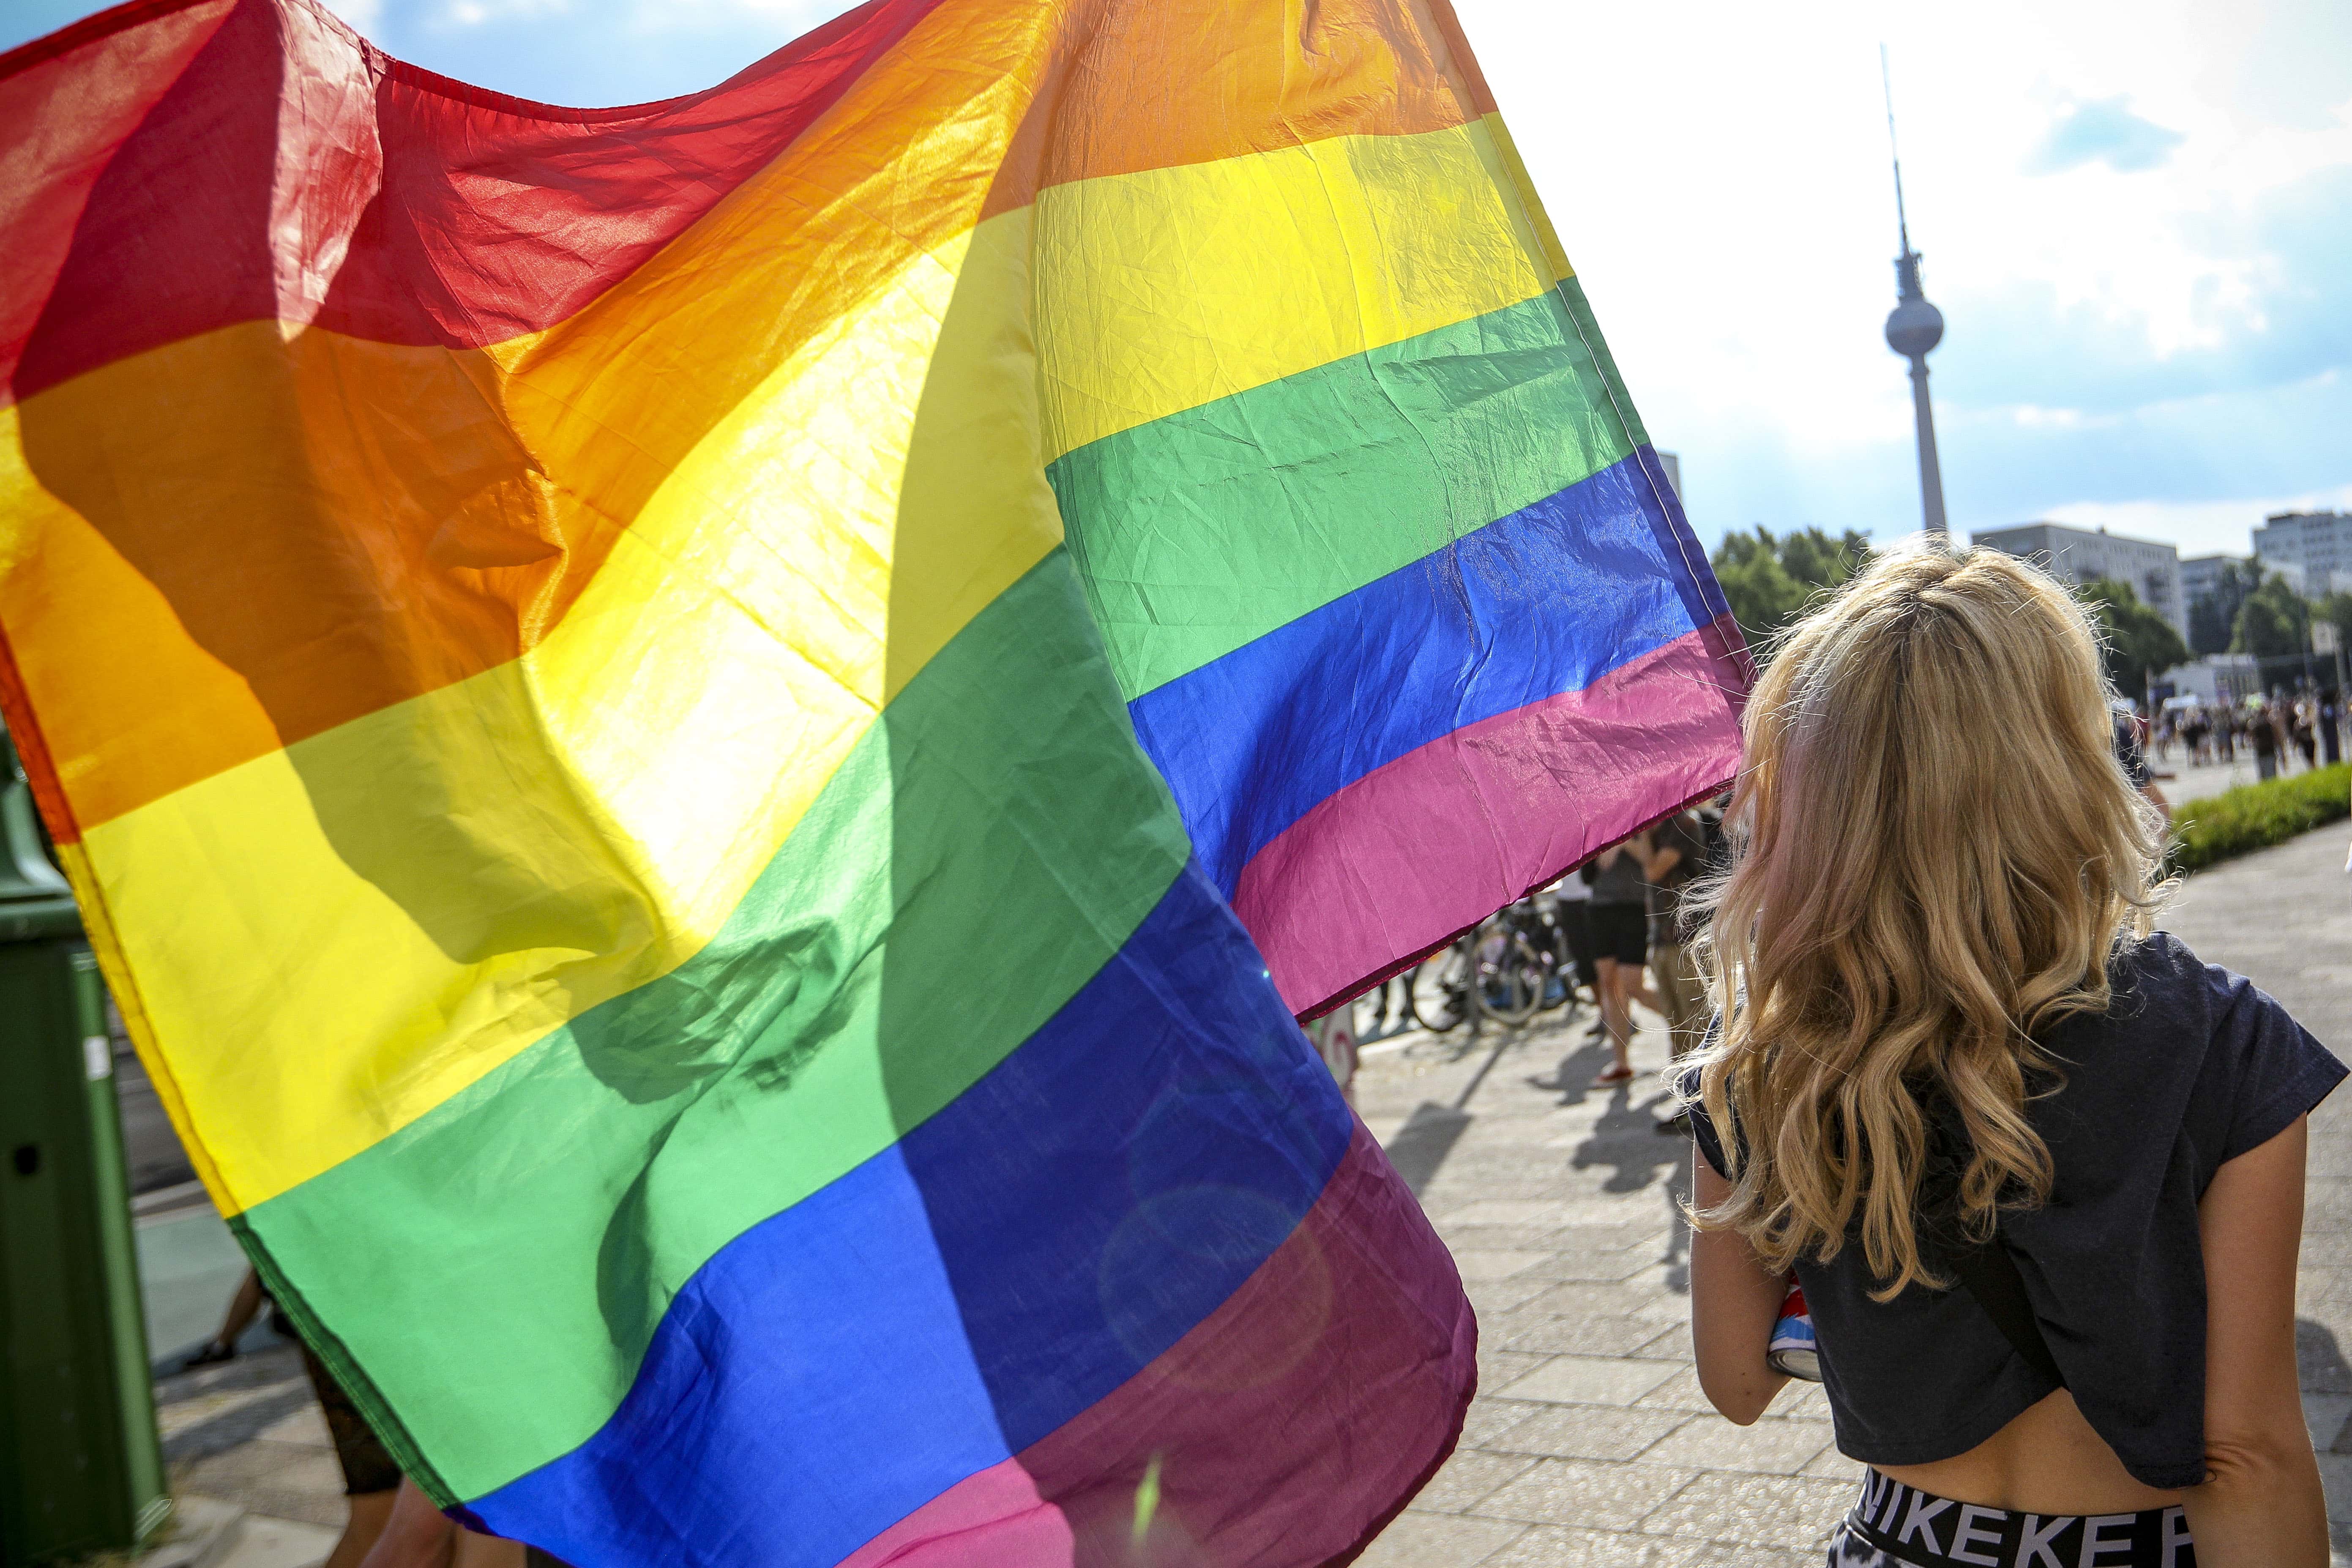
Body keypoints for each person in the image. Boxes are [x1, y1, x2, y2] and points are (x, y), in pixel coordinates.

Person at [1678, 546, 2341, 1568]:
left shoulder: (1770, 1059)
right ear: (2067, 757)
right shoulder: (2220, 1039)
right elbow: (2246, 1457)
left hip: (1901, 1541)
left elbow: (1735, 1382)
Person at [1636, 804, 1714, 1136]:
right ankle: (1689, 1106)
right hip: (1664, 940)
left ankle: (1708, 1109)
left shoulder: (1682, 822)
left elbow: (1654, 870)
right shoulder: (1655, 829)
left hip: (1688, 942)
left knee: (1697, 1026)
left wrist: (1635, 842)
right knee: (1677, 1028)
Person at [1585, 838, 1656, 1088]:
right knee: (1609, 985)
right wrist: (1614, 839)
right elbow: (1599, 866)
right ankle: (1622, 1064)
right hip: (1601, 909)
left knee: (1633, 985)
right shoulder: (1601, 830)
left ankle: (1684, 1019)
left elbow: (1649, 862)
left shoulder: (1641, 827)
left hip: (1634, 909)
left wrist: (1628, 838)